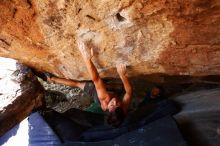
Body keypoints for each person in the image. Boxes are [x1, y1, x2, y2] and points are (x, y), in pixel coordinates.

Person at [46, 40, 132, 127]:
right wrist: (123, 76)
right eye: (117, 104)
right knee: (118, 87)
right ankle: (110, 86)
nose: (115, 101)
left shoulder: (104, 99)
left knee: (77, 84)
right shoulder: (123, 109)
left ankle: (52, 79)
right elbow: (128, 92)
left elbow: (96, 79)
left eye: (113, 104)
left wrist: (87, 59)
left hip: (97, 94)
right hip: (111, 91)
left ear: (109, 108)